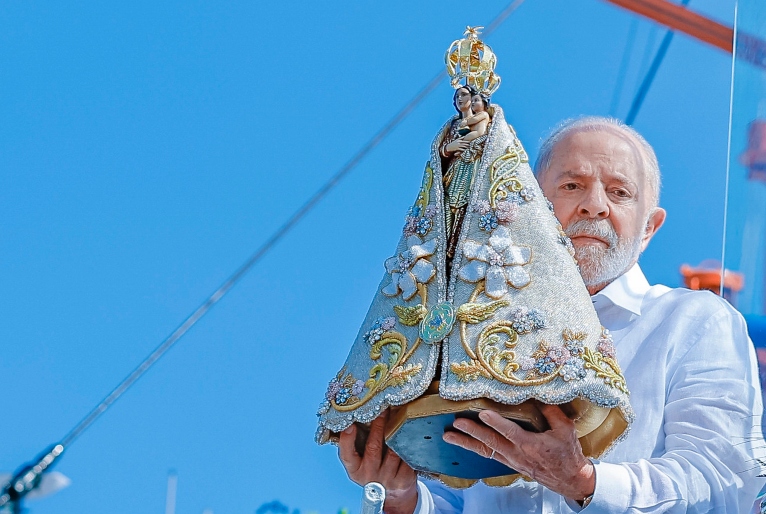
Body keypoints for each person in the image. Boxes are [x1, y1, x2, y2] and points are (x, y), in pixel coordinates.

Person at [337, 116, 766, 513]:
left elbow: (727, 482)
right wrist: (400, 495)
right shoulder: (473, 329)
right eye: (572, 186)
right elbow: (453, 496)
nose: (594, 205)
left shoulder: (695, 321)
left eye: (619, 192)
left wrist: (582, 482)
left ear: (649, 228)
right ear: (531, 210)